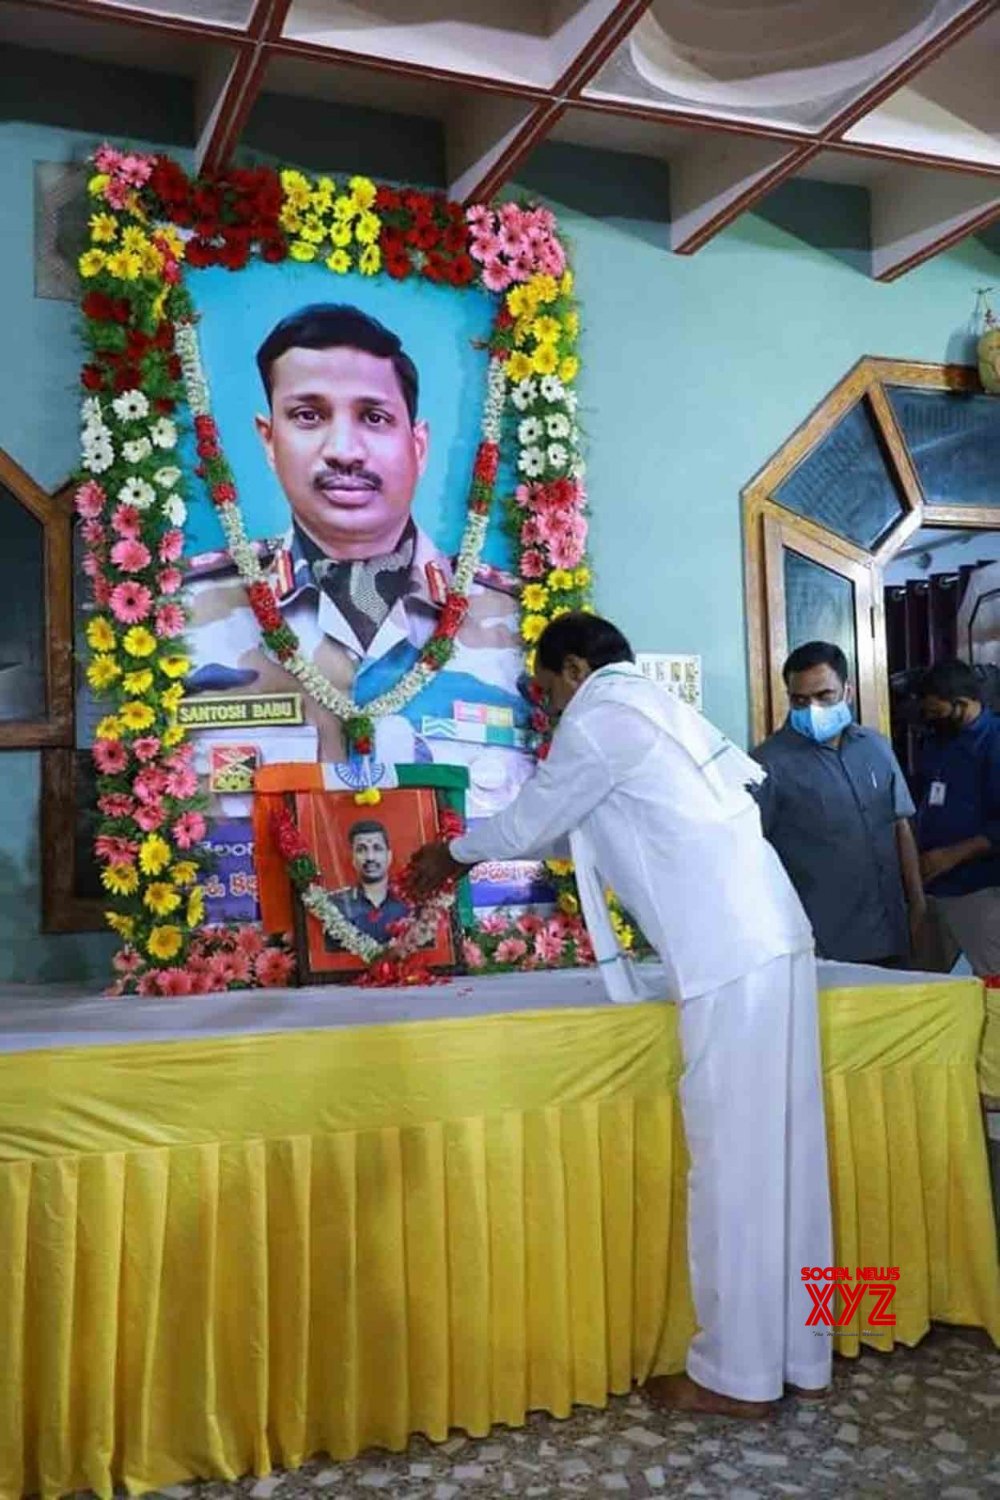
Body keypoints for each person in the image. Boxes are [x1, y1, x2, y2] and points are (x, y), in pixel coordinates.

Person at [407, 611, 832, 1418]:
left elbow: (534, 822)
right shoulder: (656, 711)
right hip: (772, 939)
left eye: (546, 694)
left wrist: (449, 852)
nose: (550, 712)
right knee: (787, 1156)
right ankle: (798, 1355)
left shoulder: (601, 714)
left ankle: (736, 1377)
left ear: (572, 669)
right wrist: (487, 846)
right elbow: (593, 831)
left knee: (733, 1166)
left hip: (728, 956)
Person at [184, 303, 527, 793]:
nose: (344, 449)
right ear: (269, 439)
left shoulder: (517, 623)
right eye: (308, 415)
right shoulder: (185, 616)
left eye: (374, 417)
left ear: (419, 445)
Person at [751, 641, 925, 967]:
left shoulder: (875, 747)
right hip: (824, 948)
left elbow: (900, 824)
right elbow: (749, 854)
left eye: (823, 696)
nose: (812, 709)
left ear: (848, 691)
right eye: (799, 700)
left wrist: (917, 903)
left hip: (893, 932)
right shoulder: (767, 764)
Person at [914, 658, 1000, 976]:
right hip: (934, 888)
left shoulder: (993, 742)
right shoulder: (939, 741)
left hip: (979, 890)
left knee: (992, 984)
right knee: (930, 988)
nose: (930, 719)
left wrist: (950, 856)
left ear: (961, 705)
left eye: (937, 712)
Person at [327, 819, 411, 947]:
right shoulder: (335, 905)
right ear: (353, 858)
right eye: (361, 850)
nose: (370, 857)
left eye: (377, 848)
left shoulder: (410, 903)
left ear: (389, 856)